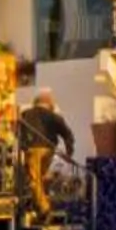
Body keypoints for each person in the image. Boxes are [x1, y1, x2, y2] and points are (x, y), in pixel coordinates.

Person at [16, 90, 76, 222]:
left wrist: (23, 147)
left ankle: (44, 208)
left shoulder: (26, 114)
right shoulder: (53, 116)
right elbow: (67, 134)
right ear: (49, 104)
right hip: (49, 149)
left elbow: (19, 132)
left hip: (32, 149)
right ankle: (37, 205)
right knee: (39, 179)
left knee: (34, 180)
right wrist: (69, 152)